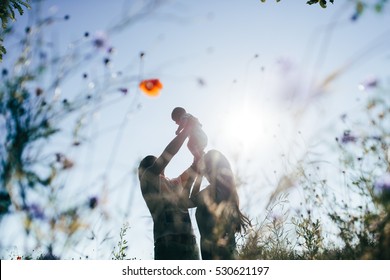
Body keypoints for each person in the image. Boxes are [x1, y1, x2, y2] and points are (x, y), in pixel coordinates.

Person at [138, 123, 200, 260]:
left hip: (191, 244)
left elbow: (193, 169)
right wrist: (186, 131)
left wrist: (197, 154)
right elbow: (168, 155)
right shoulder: (148, 181)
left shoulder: (173, 183)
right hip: (168, 247)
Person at [183, 149, 251, 260]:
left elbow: (185, 202)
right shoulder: (228, 193)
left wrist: (195, 174)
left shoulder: (211, 192)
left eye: (207, 168)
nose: (205, 173)